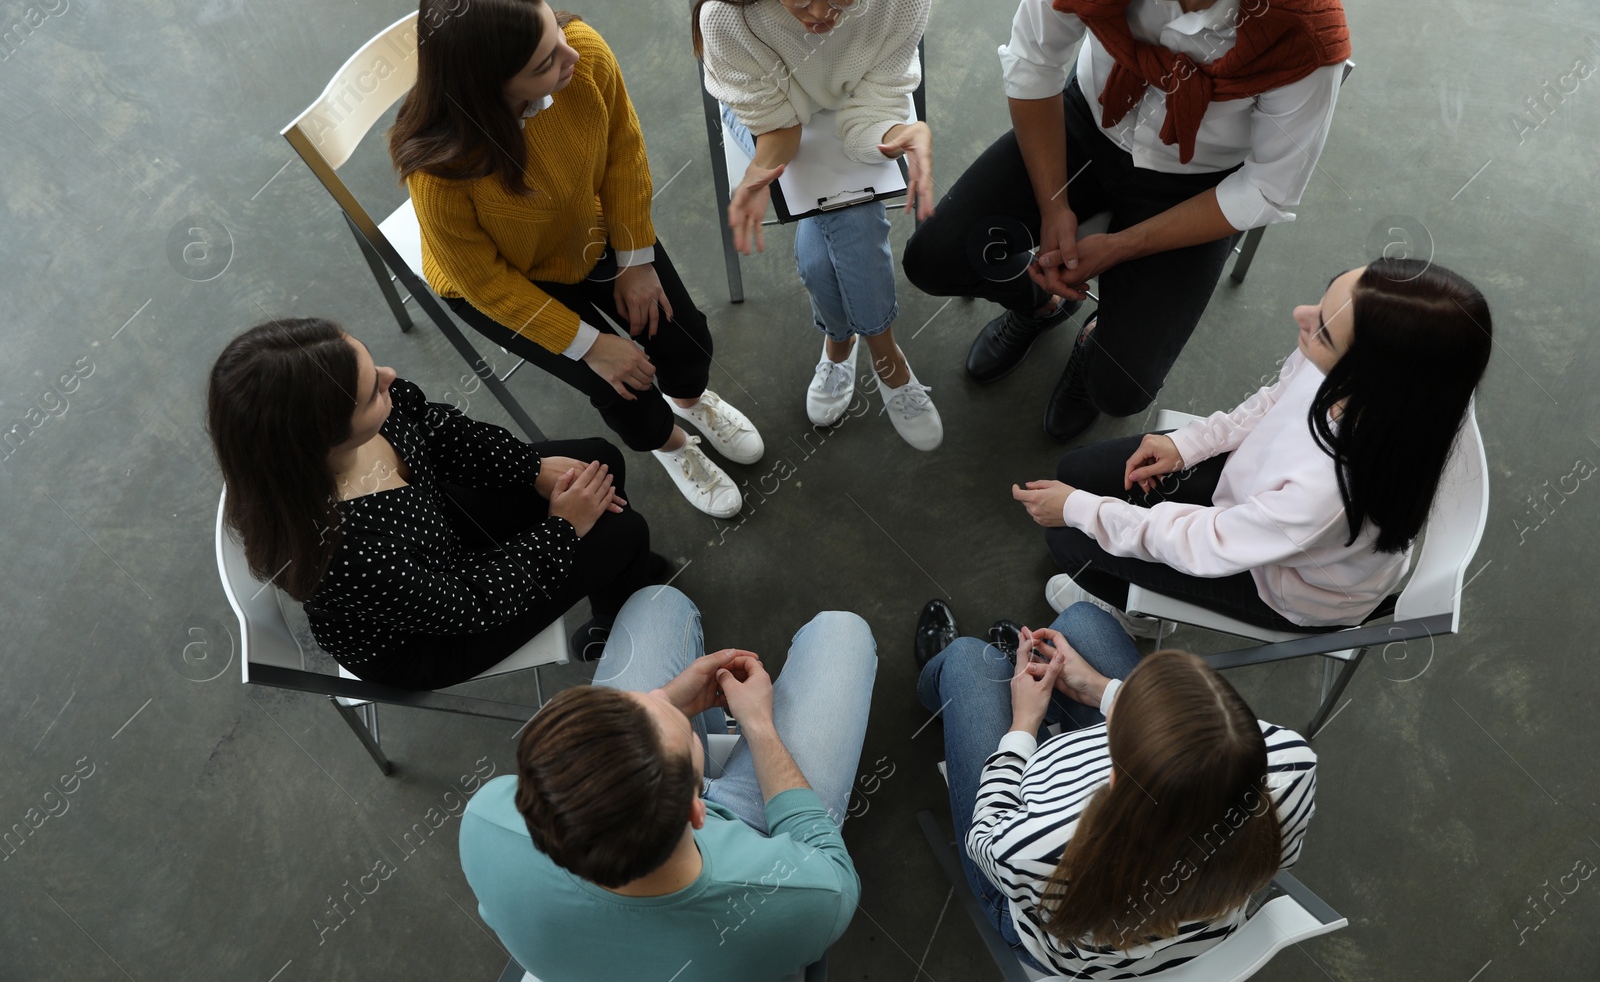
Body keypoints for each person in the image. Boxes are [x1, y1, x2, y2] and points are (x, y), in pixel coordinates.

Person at [902, 0, 1350, 443]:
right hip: (1084, 121)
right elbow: (1035, 60)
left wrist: (1121, 248)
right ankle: (1041, 303)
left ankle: (1094, 340)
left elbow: (1268, 187)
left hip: (1194, 182)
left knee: (1122, 391)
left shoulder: (1304, 34)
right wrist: (1053, 204)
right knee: (932, 260)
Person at [390, 0, 764, 519]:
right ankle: (673, 446)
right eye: (546, 62)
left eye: (555, 34)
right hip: (507, 281)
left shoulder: (581, 51)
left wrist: (636, 258)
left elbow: (623, 150)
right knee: (620, 388)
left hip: (589, 230)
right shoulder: (441, 171)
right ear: (490, 88)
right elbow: (482, 281)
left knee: (685, 340)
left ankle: (689, 401)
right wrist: (589, 343)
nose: (572, 57)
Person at [1012, 258, 1493, 633]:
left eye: (1322, 328)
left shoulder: (1327, 494)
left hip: (1284, 585)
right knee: (1079, 472)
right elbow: (1273, 399)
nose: (1301, 316)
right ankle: (1116, 562)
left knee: (1068, 539)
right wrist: (1189, 444)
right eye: (1322, 303)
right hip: (1256, 504)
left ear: (1368, 376)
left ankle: (1134, 617)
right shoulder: (1374, 376)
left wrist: (1081, 511)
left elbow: (1204, 542)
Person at [208, 317, 659, 687]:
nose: (389, 377)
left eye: (370, 366)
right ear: (323, 440)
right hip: (428, 635)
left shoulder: (361, 417)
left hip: (432, 531)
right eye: (371, 393)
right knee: (623, 533)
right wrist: (561, 529)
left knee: (597, 460)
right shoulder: (341, 552)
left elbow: (442, 434)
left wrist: (530, 469)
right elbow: (467, 605)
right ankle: (620, 614)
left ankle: (621, 580)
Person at [459, 586, 877, 982]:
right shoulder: (791, 897)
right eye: (684, 730)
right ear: (699, 810)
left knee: (657, 601)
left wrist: (668, 701)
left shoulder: (487, 820)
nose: (658, 698)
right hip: (757, 836)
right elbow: (829, 867)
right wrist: (759, 726)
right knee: (843, 632)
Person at [917, 606, 1317, 975]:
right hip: (1203, 925)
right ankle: (1034, 688)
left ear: (1112, 777)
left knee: (970, 659)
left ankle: (942, 686)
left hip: (1047, 932)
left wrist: (1022, 725)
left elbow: (986, 837)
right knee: (1082, 621)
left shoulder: (1045, 846)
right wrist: (1100, 689)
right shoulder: (1291, 764)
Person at [694, 0, 943, 449]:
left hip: (857, 100)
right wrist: (761, 172)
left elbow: (869, 110)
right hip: (767, 114)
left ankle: (838, 343)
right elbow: (779, 127)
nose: (820, 14)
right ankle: (887, 355)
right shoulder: (728, 17)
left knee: (829, 231)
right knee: (850, 217)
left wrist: (903, 129)